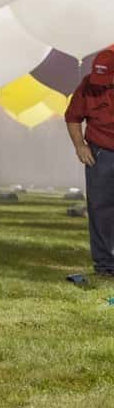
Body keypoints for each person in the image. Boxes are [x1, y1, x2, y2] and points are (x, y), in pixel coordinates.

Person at [66, 48, 114, 278]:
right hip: (100, 154)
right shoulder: (88, 85)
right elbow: (73, 117)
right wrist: (80, 146)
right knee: (100, 210)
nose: (101, 84)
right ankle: (105, 267)